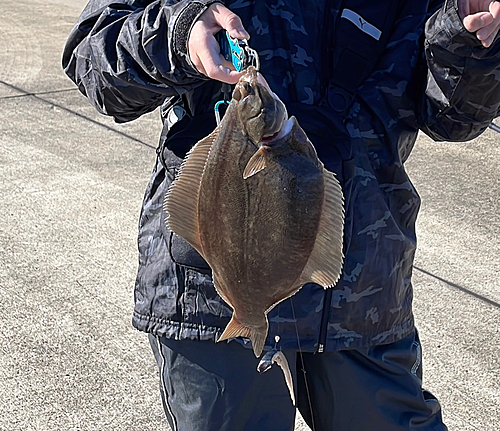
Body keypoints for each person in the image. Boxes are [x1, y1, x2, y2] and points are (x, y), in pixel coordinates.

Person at [62, 1, 500, 430]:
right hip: (213, 294)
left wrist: (468, 37)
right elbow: (94, 58)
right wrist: (178, 34)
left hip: (363, 296)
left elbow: (454, 119)